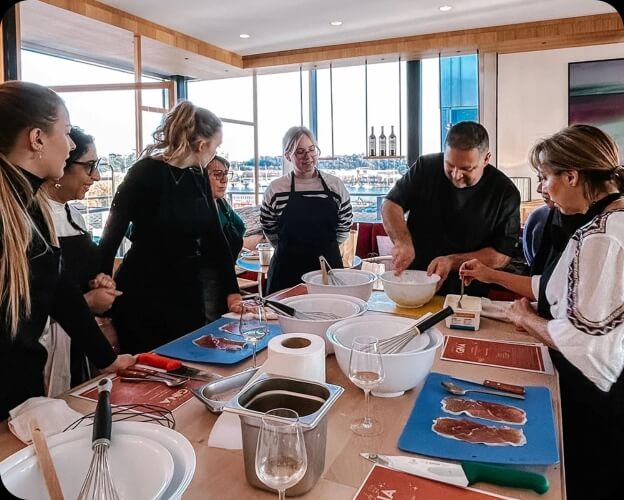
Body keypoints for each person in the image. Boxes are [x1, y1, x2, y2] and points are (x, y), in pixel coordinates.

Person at [483, 125, 623, 500]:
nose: (542, 188)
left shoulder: (604, 235)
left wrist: (526, 318)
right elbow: (559, 287)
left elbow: (586, 345)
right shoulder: (603, 221)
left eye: (545, 177)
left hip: (598, 405)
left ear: (572, 176)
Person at [0, 81, 134, 419]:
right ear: (37, 138)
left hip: (24, 397)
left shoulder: (33, 206)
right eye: (67, 131)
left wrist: (107, 359)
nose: (71, 144)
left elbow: (60, 291)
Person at [99, 100, 241, 354]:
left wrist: (232, 291)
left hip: (186, 291)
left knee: (189, 363)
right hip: (142, 292)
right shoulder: (144, 172)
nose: (216, 152)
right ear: (201, 145)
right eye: (216, 146)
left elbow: (215, 237)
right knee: (147, 373)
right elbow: (110, 237)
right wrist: (102, 310)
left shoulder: (197, 176)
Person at [382, 121, 521, 296]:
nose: (456, 175)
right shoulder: (426, 167)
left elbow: (501, 255)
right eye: (449, 165)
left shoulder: (505, 193)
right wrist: (402, 241)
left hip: (467, 289)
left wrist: (451, 261)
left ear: (486, 159)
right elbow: (391, 204)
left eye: (466, 169)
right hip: (416, 279)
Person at [42, 127, 122, 391]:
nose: (96, 176)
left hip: (79, 344)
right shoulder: (33, 220)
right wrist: (86, 303)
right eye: (89, 166)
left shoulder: (73, 215)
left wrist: (101, 284)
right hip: (47, 355)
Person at [261, 126, 353, 294]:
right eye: (300, 152)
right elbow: (269, 229)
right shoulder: (275, 189)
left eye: (312, 150)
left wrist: (324, 247)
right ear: (288, 156)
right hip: (286, 272)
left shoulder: (335, 186)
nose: (308, 157)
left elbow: (344, 228)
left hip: (327, 270)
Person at [206, 155, 264, 259]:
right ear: (202, 177)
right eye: (218, 174)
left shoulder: (222, 203)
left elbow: (240, 227)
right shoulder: (197, 208)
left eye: (226, 174)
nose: (225, 180)